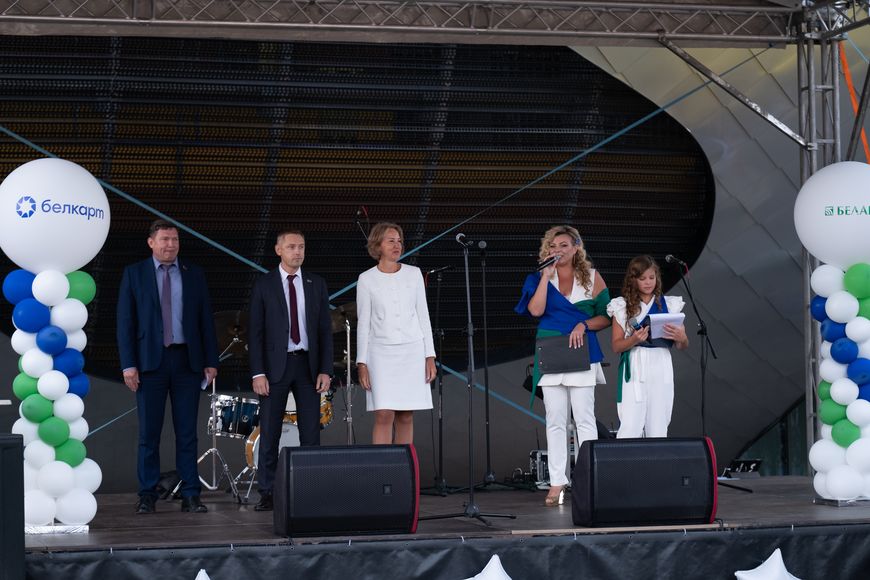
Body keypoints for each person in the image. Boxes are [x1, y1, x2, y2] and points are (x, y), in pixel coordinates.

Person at [117, 219, 219, 515]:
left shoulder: (193, 273)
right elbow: (125, 322)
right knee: (149, 434)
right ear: (151, 242)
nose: (170, 245)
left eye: (174, 240)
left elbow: (205, 320)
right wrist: (128, 365)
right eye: (164, 239)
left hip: (187, 361)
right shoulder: (134, 273)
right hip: (150, 363)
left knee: (187, 432)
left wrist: (211, 360)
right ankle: (147, 495)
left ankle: (191, 494)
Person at [514, 225, 610, 507]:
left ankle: (588, 478)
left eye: (564, 245)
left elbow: (606, 316)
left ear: (576, 247)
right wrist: (546, 277)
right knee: (555, 420)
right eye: (553, 246)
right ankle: (557, 482)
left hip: (581, 350)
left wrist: (583, 324)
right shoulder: (539, 277)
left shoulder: (592, 277)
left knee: (584, 419)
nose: (558, 250)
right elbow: (535, 310)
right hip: (552, 351)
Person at [248, 229, 333, 511]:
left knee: (311, 434)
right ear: (278, 250)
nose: (298, 252)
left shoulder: (316, 283)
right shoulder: (264, 284)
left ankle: (309, 490)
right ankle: (268, 492)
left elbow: (325, 330)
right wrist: (258, 372)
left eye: (302, 247)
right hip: (275, 368)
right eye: (292, 247)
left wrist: (325, 369)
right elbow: (255, 332)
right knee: (270, 433)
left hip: (308, 366)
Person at [356, 222, 436, 445]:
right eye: (391, 241)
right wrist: (362, 363)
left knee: (406, 414)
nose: (397, 245)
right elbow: (363, 324)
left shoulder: (414, 274)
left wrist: (430, 356)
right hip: (380, 354)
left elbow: (423, 316)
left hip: (412, 352)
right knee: (384, 414)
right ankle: (382, 465)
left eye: (399, 241)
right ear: (377, 245)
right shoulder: (366, 279)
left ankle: (404, 465)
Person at [607, 255, 688, 438]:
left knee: (659, 422)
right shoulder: (622, 306)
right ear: (633, 279)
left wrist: (682, 338)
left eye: (652, 277)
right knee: (631, 423)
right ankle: (626, 457)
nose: (648, 282)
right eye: (642, 278)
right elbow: (616, 346)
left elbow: (682, 345)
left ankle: (656, 455)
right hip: (635, 363)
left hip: (661, 363)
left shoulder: (670, 305)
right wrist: (634, 340)